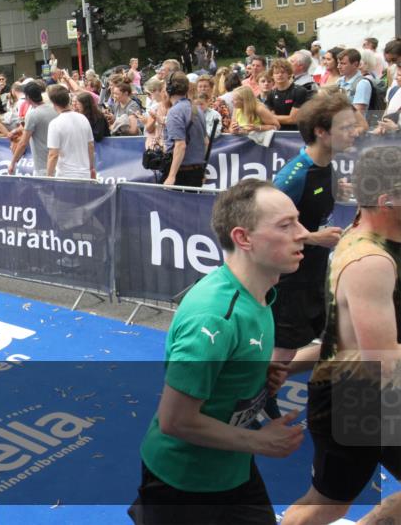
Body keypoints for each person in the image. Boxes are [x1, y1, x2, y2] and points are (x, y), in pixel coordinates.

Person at [130, 178, 308, 525]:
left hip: (232, 469)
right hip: (184, 484)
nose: (302, 233)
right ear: (243, 238)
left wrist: (258, 375)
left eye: (298, 221)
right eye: (286, 225)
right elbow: (175, 420)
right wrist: (263, 442)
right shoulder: (214, 316)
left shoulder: (260, 291)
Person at [282, 144, 401, 525]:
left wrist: (289, 366)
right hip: (356, 400)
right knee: (327, 503)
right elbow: (381, 359)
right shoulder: (369, 260)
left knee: (330, 501)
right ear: (387, 201)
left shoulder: (372, 237)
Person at [262, 93, 358, 419]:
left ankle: (278, 383)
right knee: (284, 349)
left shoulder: (326, 167)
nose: (354, 133)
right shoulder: (294, 174)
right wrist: (315, 238)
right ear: (321, 131)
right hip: (291, 279)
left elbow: (313, 205)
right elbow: (264, 224)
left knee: (341, 338)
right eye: (346, 127)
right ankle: (261, 396)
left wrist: (337, 191)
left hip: (317, 274)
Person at [162, 73, 208, 188]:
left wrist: (171, 176)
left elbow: (180, 145)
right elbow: (206, 142)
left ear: (169, 89)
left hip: (181, 173)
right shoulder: (197, 109)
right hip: (196, 171)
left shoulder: (174, 112)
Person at [46, 85, 96, 179]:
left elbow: (53, 155)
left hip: (66, 176)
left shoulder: (55, 124)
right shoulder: (83, 118)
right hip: (84, 174)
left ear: (53, 103)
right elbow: (90, 146)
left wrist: (48, 177)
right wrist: (91, 167)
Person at [9, 82, 56, 175]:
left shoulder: (32, 115)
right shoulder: (54, 109)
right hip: (57, 163)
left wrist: (13, 162)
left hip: (43, 167)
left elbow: (23, 143)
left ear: (28, 98)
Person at [265, 58, 311, 131]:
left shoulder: (300, 91)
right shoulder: (271, 94)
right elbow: (271, 120)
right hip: (278, 133)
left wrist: (271, 117)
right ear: (272, 75)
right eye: (276, 73)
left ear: (289, 73)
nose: (280, 75)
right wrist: (270, 118)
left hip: (297, 134)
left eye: (283, 72)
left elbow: (293, 119)